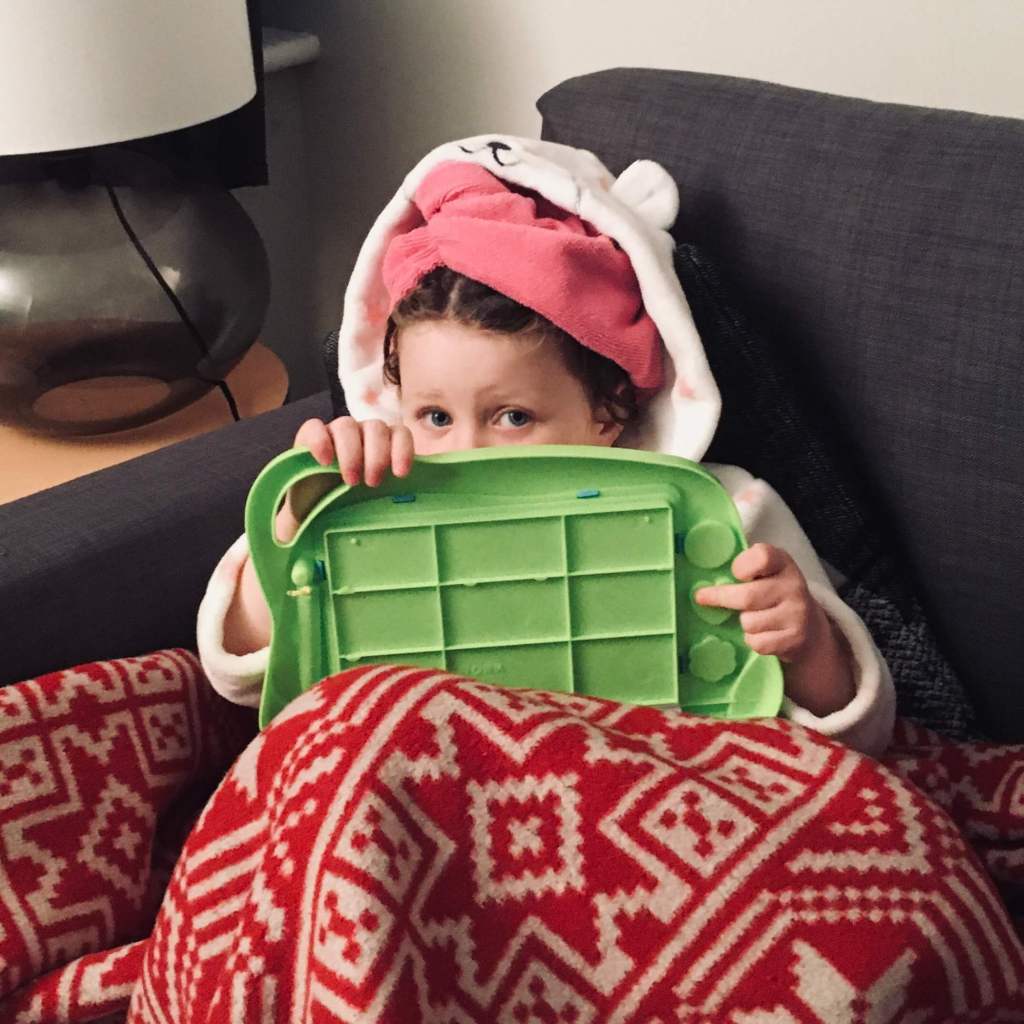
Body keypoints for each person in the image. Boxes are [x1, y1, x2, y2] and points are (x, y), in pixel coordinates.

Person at [197, 135, 895, 756]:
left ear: (610, 409)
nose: (466, 450)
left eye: (512, 417)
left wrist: (807, 645)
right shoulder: (363, 503)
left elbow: (864, 731)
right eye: (435, 417)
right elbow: (237, 674)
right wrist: (296, 531)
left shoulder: (722, 512)